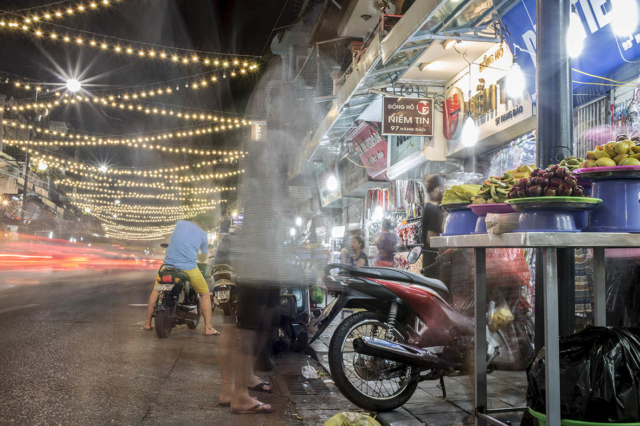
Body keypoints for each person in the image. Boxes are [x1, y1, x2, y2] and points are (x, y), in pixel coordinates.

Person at [143, 214, 219, 336]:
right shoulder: (203, 234)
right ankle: (208, 328)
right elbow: (204, 256)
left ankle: (147, 323)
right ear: (204, 223)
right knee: (204, 293)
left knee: (156, 290)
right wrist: (196, 254)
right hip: (188, 268)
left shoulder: (179, 224)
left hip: (168, 266)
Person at [421, 175, 446, 270]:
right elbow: (431, 238)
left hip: (430, 261)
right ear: (437, 189)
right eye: (443, 188)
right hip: (434, 262)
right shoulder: (433, 210)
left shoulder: (430, 208)